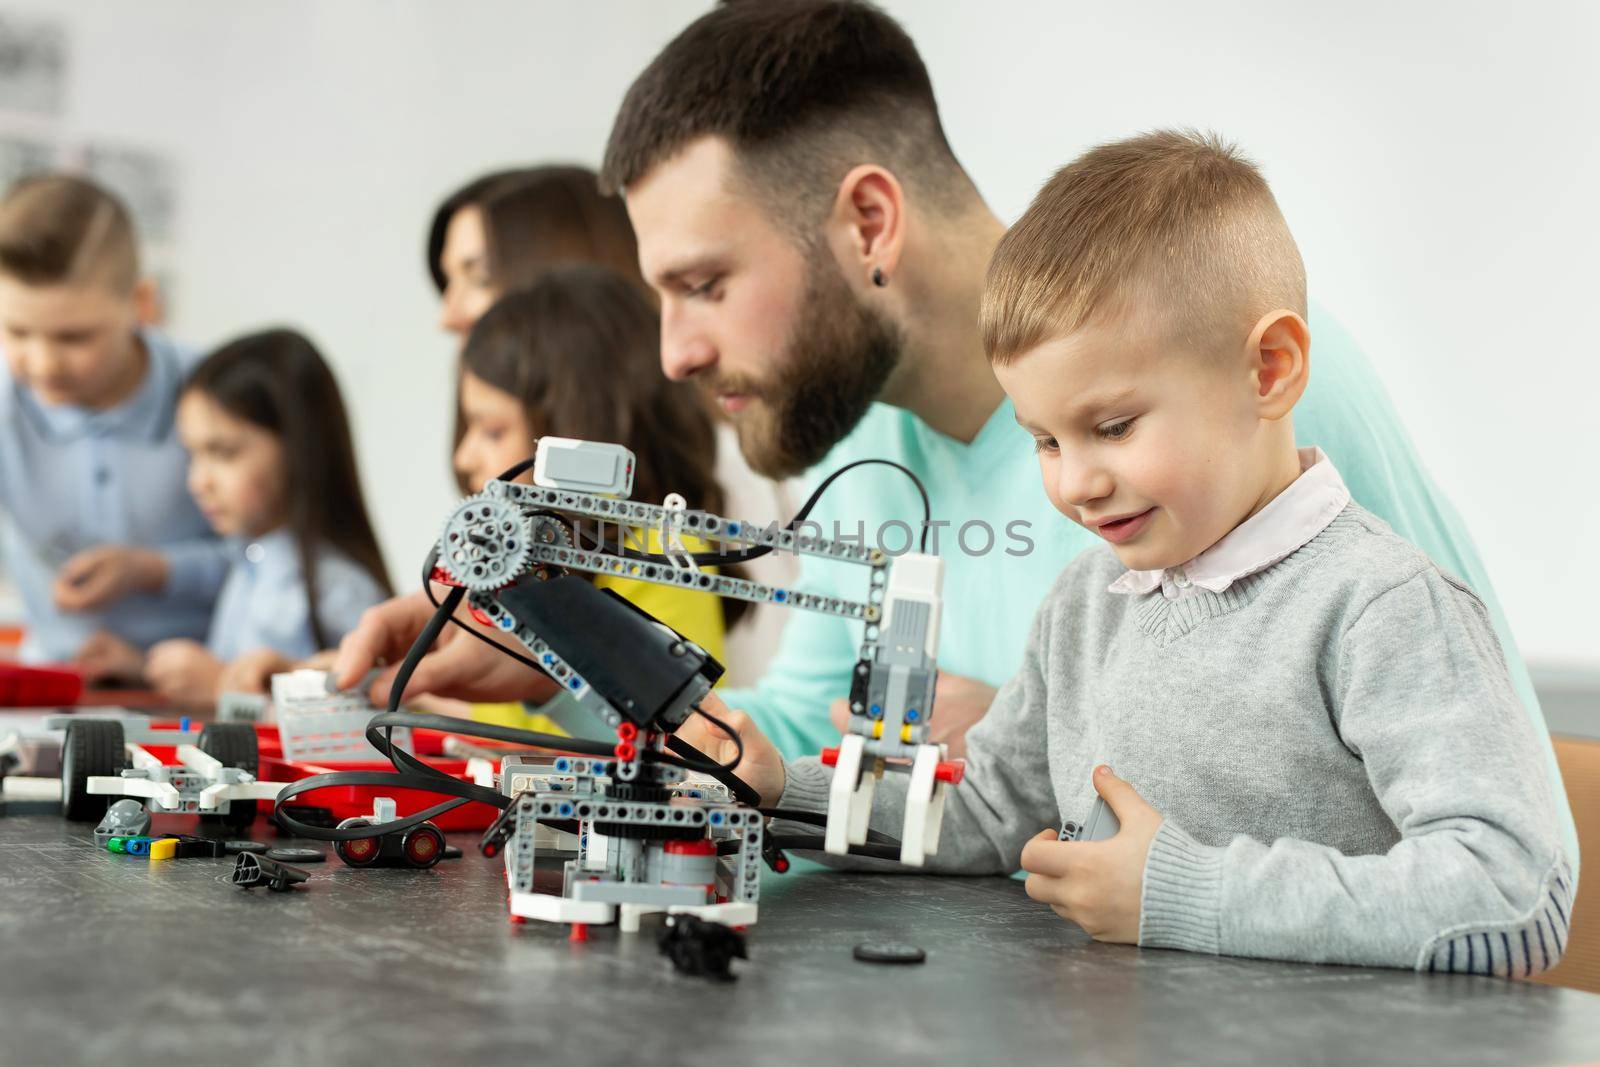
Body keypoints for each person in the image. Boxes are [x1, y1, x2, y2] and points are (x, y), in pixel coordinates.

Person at [334, 0, 1576, 871]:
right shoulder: (850, 433)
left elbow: (1494, 820)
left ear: (867, 222)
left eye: (704, 283)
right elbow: (802, 749)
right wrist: (573, 672)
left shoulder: (1247, 383)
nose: (673, 351)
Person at [682, 130, 1571, 975]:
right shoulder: (1090, 599)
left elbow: (1512, 889)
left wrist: (1181, 892)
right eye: (1045, 441)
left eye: (1112, 426)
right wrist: (782, 794)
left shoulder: (1384, 608)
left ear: (1269, 369)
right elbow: (989, 808)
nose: (1076, 483)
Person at [451, 266, 732, 732]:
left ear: (571, 436)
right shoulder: (532, 568)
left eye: (493, 430)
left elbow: (673, 737)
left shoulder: (659, 554)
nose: (464, 456)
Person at [0, 174, 227, 672]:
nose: (42, 363)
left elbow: (276, 558)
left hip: (197, 690)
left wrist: (154, 570)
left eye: (73, 337)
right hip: (53, 681)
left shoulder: (219, 394)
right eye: (17, 331)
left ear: (142, 304)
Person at [126, 329, 390, 704]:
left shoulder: (340, 590)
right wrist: (139, 666)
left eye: (224, 453)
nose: (198, 481)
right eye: (193, 455)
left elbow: (362, 721)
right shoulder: (249, 564)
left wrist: (221, 688)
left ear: (299, 449)